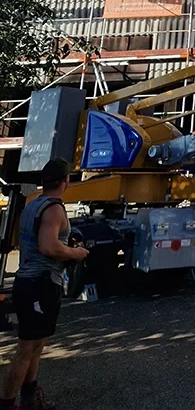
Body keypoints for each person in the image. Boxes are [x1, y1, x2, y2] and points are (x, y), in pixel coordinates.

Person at [1, 159, 88, 410]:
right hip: (40, 284)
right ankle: (6, 404)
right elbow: (48, 247)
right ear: (65, 180)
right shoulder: (54, 209)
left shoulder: (33, 204)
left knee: (37, 345)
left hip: (31, 281)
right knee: (26, 348)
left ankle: (30, 401)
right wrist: (76, 253)